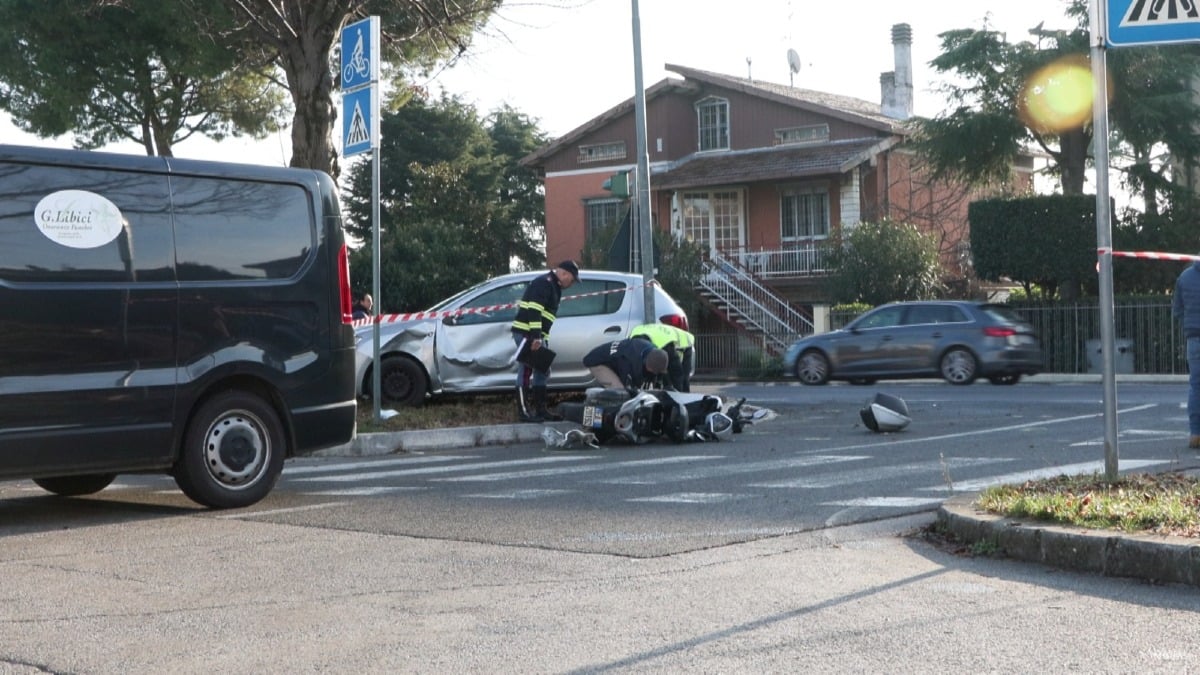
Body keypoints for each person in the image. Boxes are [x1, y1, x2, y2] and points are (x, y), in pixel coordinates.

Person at [511, 260, 580, 422]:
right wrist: (536, 337)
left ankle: (541, 411)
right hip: (527, 333)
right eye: (572, 280)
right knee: (526, 370)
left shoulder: (554, 286)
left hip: (537, 335)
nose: (572, 284)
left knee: (541, 371)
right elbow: (535, 310)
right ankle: (524, 413)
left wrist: (543, 338)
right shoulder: (544, 283)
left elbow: (545, 316)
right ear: (563, 273)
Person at [1174, 258, 1200, 448]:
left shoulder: (1184, 277)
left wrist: (1189, 326)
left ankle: (1196, 433)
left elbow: (1177, 310)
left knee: (1196, 386)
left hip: (1194, 338)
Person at [583, 338, 670, 390]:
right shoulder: (629, 362)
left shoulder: (653, 351)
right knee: (621, 392)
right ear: (648, 366)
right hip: (598, 362)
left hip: (616, 361)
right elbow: (630, 387)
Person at [629, 323, 695, 391]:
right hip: (661, 339)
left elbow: (677, 372)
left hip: (685, 342)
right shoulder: (633, 336)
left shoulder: (663, 345)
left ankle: (683, 396)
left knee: (681, 378)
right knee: (658, 372)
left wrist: (678, 393)